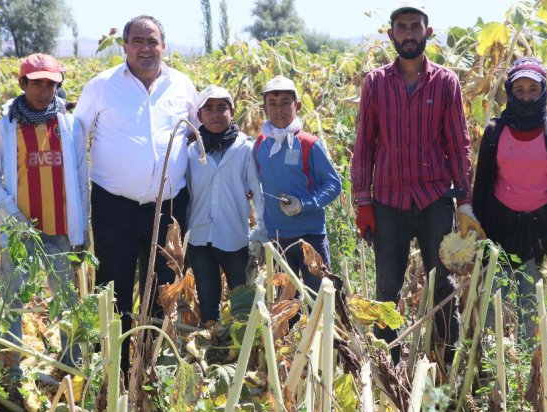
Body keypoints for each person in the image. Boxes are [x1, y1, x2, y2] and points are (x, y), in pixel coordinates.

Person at [351, 1, 484, 364]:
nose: (409, 33)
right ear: (392, 34)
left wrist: (465, 203)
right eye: (402, 27)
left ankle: (445, 364)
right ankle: (388, 365)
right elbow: (364, 145)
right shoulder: (376, 83)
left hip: (434, 200)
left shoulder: (445, 82)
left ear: (428, 32)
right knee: (386, 290)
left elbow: (459, 144)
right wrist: (364, 202)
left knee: (442, 286)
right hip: (389, 202)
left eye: (415, 26)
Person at [73, 15, 197, 374]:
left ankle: (153, 368)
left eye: (152, 41)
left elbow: (198, 133)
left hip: (170, 207)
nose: (146, 48)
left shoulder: (183, 85)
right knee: (114, 287)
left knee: (163, 289)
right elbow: (76, 142)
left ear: (164, 45)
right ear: (124, 47)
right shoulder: (101, 86)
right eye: (138, 41)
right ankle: (114, 370)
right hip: (114, 205)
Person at [0, 53, 88, 399]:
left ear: (59, 85)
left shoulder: (70, 126)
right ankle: (13, 370)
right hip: (19, 232)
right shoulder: (5, 127)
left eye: (51, 83)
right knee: (12, 300)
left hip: (59, 229)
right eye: (37, 83)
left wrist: (82, 229)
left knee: (67, 300)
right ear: (22, 84)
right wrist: (14, 216)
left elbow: (81, 179)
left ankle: (71, 363)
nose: (45, 90)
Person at [473, 57, 547, 341]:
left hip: (538, 230)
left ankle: (529, 373)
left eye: (533, 89)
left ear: (543, 91)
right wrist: (474, 230)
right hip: (498, 229)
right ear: (510, 92)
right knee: (494, 303)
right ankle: (493, 369)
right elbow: (482, 185)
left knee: (530, 306)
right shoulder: (495, 132)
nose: (527, 96)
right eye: (520, 90)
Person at [254, 75, 341, 296]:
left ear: (297, 106)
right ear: (264, 107)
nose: (278, 110)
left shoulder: (309, 144)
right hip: (277, 239)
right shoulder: (260, 144)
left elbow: (333, 185)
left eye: (285, 102)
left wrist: (303, 204)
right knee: (286, 307)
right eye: (272, 104)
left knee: (320, 300)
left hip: (309, 237)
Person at [186, 85, 265, 323]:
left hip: (235, 238)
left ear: (232, 111)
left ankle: (243, 352)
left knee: (242, 303)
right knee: (208, 303)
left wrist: (261, 231)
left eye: (222, 108)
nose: (216, 114)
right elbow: (186, 194)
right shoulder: (191, 152)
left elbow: (258, 191)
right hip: (199, 237)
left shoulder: (245, 148)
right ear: (199, 116)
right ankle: (213, 349)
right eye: (208, 109)